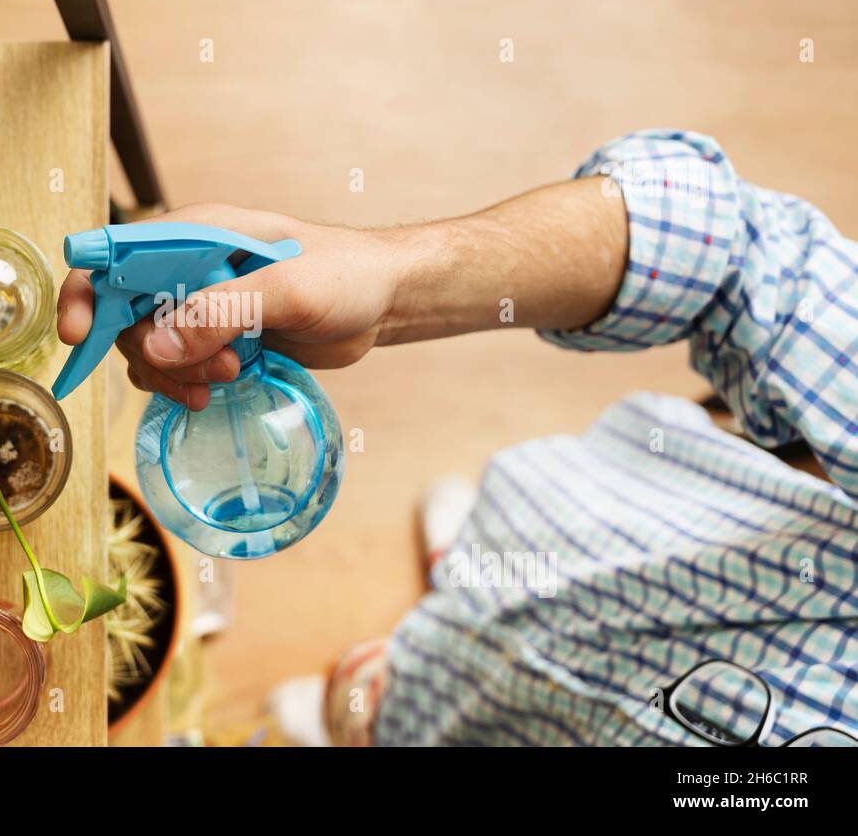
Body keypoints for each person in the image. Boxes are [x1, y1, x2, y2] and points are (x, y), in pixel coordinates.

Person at [57, 130, 858, 746]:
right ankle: (457, 579)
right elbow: (730, 249)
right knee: (509, 530)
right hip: (612, 531)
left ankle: (367, 711)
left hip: (483, 727)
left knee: (389, 710)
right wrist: (392, 277)